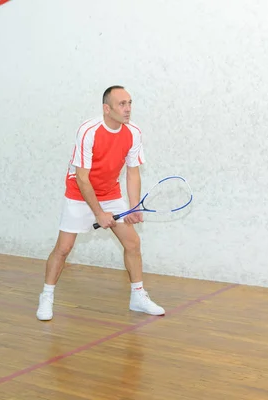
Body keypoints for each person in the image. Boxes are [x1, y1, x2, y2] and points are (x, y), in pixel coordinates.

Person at [36, 85, 165, 321]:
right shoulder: (88, 131)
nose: (127, 109)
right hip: (79, 193)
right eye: (121, 104)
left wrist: (133, 207)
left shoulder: (133, 132)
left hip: (110, 192)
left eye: (129, 103)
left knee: (133, 243)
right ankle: (47, 295)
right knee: (63, 248)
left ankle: (138, 296)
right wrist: (98, 213)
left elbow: (133, 172)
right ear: (107, 109)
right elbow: (82, 178)